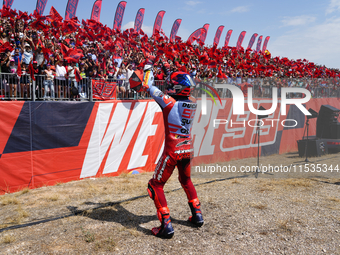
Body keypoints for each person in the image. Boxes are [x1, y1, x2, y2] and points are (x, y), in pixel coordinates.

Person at [130, 57, 204, 238]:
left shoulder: (169, 102)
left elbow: (148, 86)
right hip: (188, 147)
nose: (168, 85)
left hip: (173, 150)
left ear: (177, 87)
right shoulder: (193, 102)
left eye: (171, 83)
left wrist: (148, 68)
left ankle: (166, 225)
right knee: (186, 181)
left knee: (155, 185)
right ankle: (197, 215)